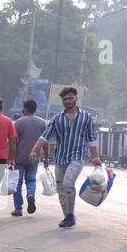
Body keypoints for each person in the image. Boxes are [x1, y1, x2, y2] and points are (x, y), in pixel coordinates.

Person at [30, 87, 101, 229]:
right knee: (61, 188)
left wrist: (96, 157)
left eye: (70, 98)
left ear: (76, 98)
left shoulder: (86, 117)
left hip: (77, 156)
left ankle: (70, 215)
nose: (68, 101)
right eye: (65, 99)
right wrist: (34, 150)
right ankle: (67, 215)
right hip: (61, 157)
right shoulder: (57, 119)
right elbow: (46, 136)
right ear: (62, 100)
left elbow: (91, 138)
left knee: (68, 184)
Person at [11, 99, 47, 215]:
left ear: (25, 109)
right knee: (31, 180)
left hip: (19, 158)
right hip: (34, 157)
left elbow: (13, 143)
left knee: (18, 182)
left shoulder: (18, 123)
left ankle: (18, 209)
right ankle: (30, 194)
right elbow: (45, 142)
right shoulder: (42, 123)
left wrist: (10, 158)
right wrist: (46, 158)